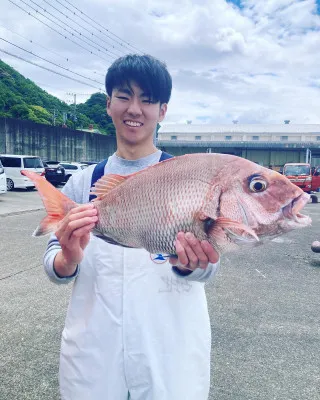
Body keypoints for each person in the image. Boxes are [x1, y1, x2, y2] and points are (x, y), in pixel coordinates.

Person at [44, 54, 220, 400]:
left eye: (148, 99)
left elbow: (210, 268)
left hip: (169, 344)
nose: (135, 109)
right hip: (95, 343)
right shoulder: (83, 183)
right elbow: (54, 264)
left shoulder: (189, 175)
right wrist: (67, 258)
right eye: (124, 96)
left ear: (163, 111)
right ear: (109, 104)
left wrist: (191, 264)